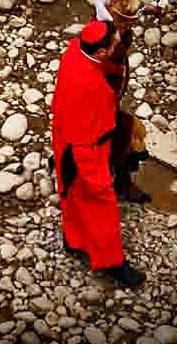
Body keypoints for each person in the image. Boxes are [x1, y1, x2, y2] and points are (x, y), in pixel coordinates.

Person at [51, 19, 145, 288]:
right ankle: (112, 261)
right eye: (113, 44)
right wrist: (95, 173)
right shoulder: (90, 86)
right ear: (102, 52)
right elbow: (87, 134)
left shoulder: (75, 49)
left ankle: (74, 239)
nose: (116, 45)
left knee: (70, 191)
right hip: (86, 147)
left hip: (64, 137)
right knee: (101, 203)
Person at [94, 0, 161, 204]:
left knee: (121, 132)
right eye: (128, 20)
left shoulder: (118, 27)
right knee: (115, 136)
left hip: (113, 88)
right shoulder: (102, 41)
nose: (133, 24)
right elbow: (98, 72)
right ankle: (119, 185)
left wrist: (152, 8)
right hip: (101, 97)